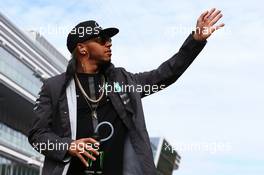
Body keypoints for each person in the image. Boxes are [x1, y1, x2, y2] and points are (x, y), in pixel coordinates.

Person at [28, 8, 224, 175]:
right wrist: (67, 146)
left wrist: (195, 41)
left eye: (109, 39)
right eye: (101, 39)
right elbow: (37, 135)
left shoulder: (123, 81)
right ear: (82, 49)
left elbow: (164, 75)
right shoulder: (54, 87)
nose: (109, 43)